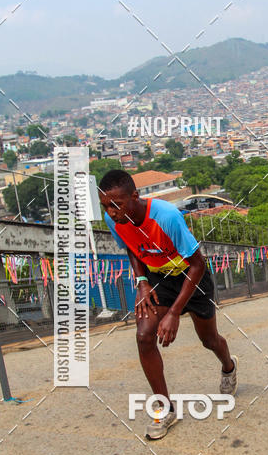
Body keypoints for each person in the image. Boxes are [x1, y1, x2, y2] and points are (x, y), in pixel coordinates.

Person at [98, 169, 237, 440]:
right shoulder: (113, 219)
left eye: (117, 205)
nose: (112, 213)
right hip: (158, 278)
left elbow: (198, 265)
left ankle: (228, 366)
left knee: (209, 341)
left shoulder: (167, 216)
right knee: (143, 336)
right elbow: (131, 246)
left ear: (134, 196)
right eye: (106, 206)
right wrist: (141, 281)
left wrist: (174, 313)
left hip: (190, 277)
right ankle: (165, 407)